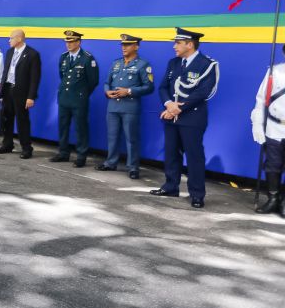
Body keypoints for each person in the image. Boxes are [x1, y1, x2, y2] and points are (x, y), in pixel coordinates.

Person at [151, 28, 219, 209]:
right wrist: (168, 104)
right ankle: (170, 187)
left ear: (190, 44)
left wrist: (176, 109)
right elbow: (163, 87)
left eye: (178, 43)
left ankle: (197, 194)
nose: (174, 46)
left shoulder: (207, 64)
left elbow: (204, 92)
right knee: (171, 153)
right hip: (171, 116)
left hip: (192, 117)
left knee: (194, 156)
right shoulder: (173, 63)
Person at [96, 34, 154, 179]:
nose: (124, 47)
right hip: (113, 106)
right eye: (122, 45)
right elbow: (106, 82)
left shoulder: (143, 64)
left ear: (136, 46)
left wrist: (128, 91)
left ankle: (133, 167)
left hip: (130, 107)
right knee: (112, 137)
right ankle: (110, 162)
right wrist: (107, 91)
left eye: (127, 45)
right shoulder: (116, 63)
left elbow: (149, 87)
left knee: (131, 138)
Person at [50, 30, 99, 167]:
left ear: (79, 42)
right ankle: (63, 153)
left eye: (72, 41)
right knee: (63, 127)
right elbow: (63, 76)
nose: (69, 44)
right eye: (67, 41)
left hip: (79, 100)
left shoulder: (87, 58)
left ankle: (81, 156)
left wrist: (82, 93)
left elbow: (93, 81)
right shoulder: (63, 57)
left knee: (80, 128)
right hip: (64, 98)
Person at [251, 44, 285, 214]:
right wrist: (258, 125)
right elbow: (261, 99)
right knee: (273, 165)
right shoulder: (275, 71)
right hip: (275, 126)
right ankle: (273, 198)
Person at [0, 29, 41, 158]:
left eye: (11, 38)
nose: (9, 40)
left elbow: (34, 78)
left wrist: (31, 96)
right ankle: (7, 144)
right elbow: (6, 72)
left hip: (22, 92)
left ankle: (26, 148)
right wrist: (2, 92)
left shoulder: (32, 54)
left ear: (19, 39)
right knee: (6, 119)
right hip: (8, 89)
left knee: (22, 121)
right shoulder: (10, 52)